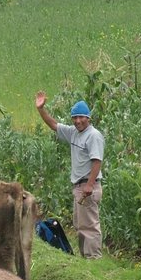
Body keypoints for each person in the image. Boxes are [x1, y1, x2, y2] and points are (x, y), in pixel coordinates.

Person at [35, 92, 105, 259]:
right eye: (74, 117)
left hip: (88, 186)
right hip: (79, 186)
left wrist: (89, 184)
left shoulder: (93, 135)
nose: (77, 121)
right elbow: (54, 125)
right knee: (81, 225)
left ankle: (93, 259)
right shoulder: (74, 132)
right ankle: (86, 258)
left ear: (88, 117)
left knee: (89, 226)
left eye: (81, 117)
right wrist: (41, 109)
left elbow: (97, 162)